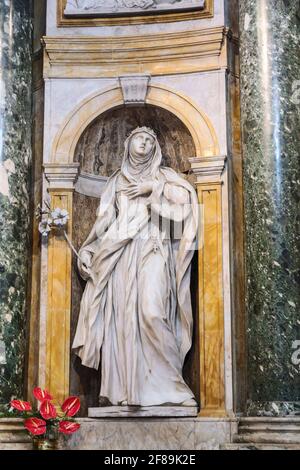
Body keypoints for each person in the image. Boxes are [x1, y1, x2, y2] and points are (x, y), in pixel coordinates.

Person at [72, 127, 198, 407]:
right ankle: (125, 392)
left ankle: (172, 389)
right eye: (139, 138)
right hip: (120, 255)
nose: (144, 142)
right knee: (123, 322)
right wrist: (89, 250)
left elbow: (187, 204)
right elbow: (103, 225)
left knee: (151, 312)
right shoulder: (116, 182)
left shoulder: (164, 177)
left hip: (153, 248)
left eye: (150, 140)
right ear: (127, 144)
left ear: (156, 148)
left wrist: (154, 189)